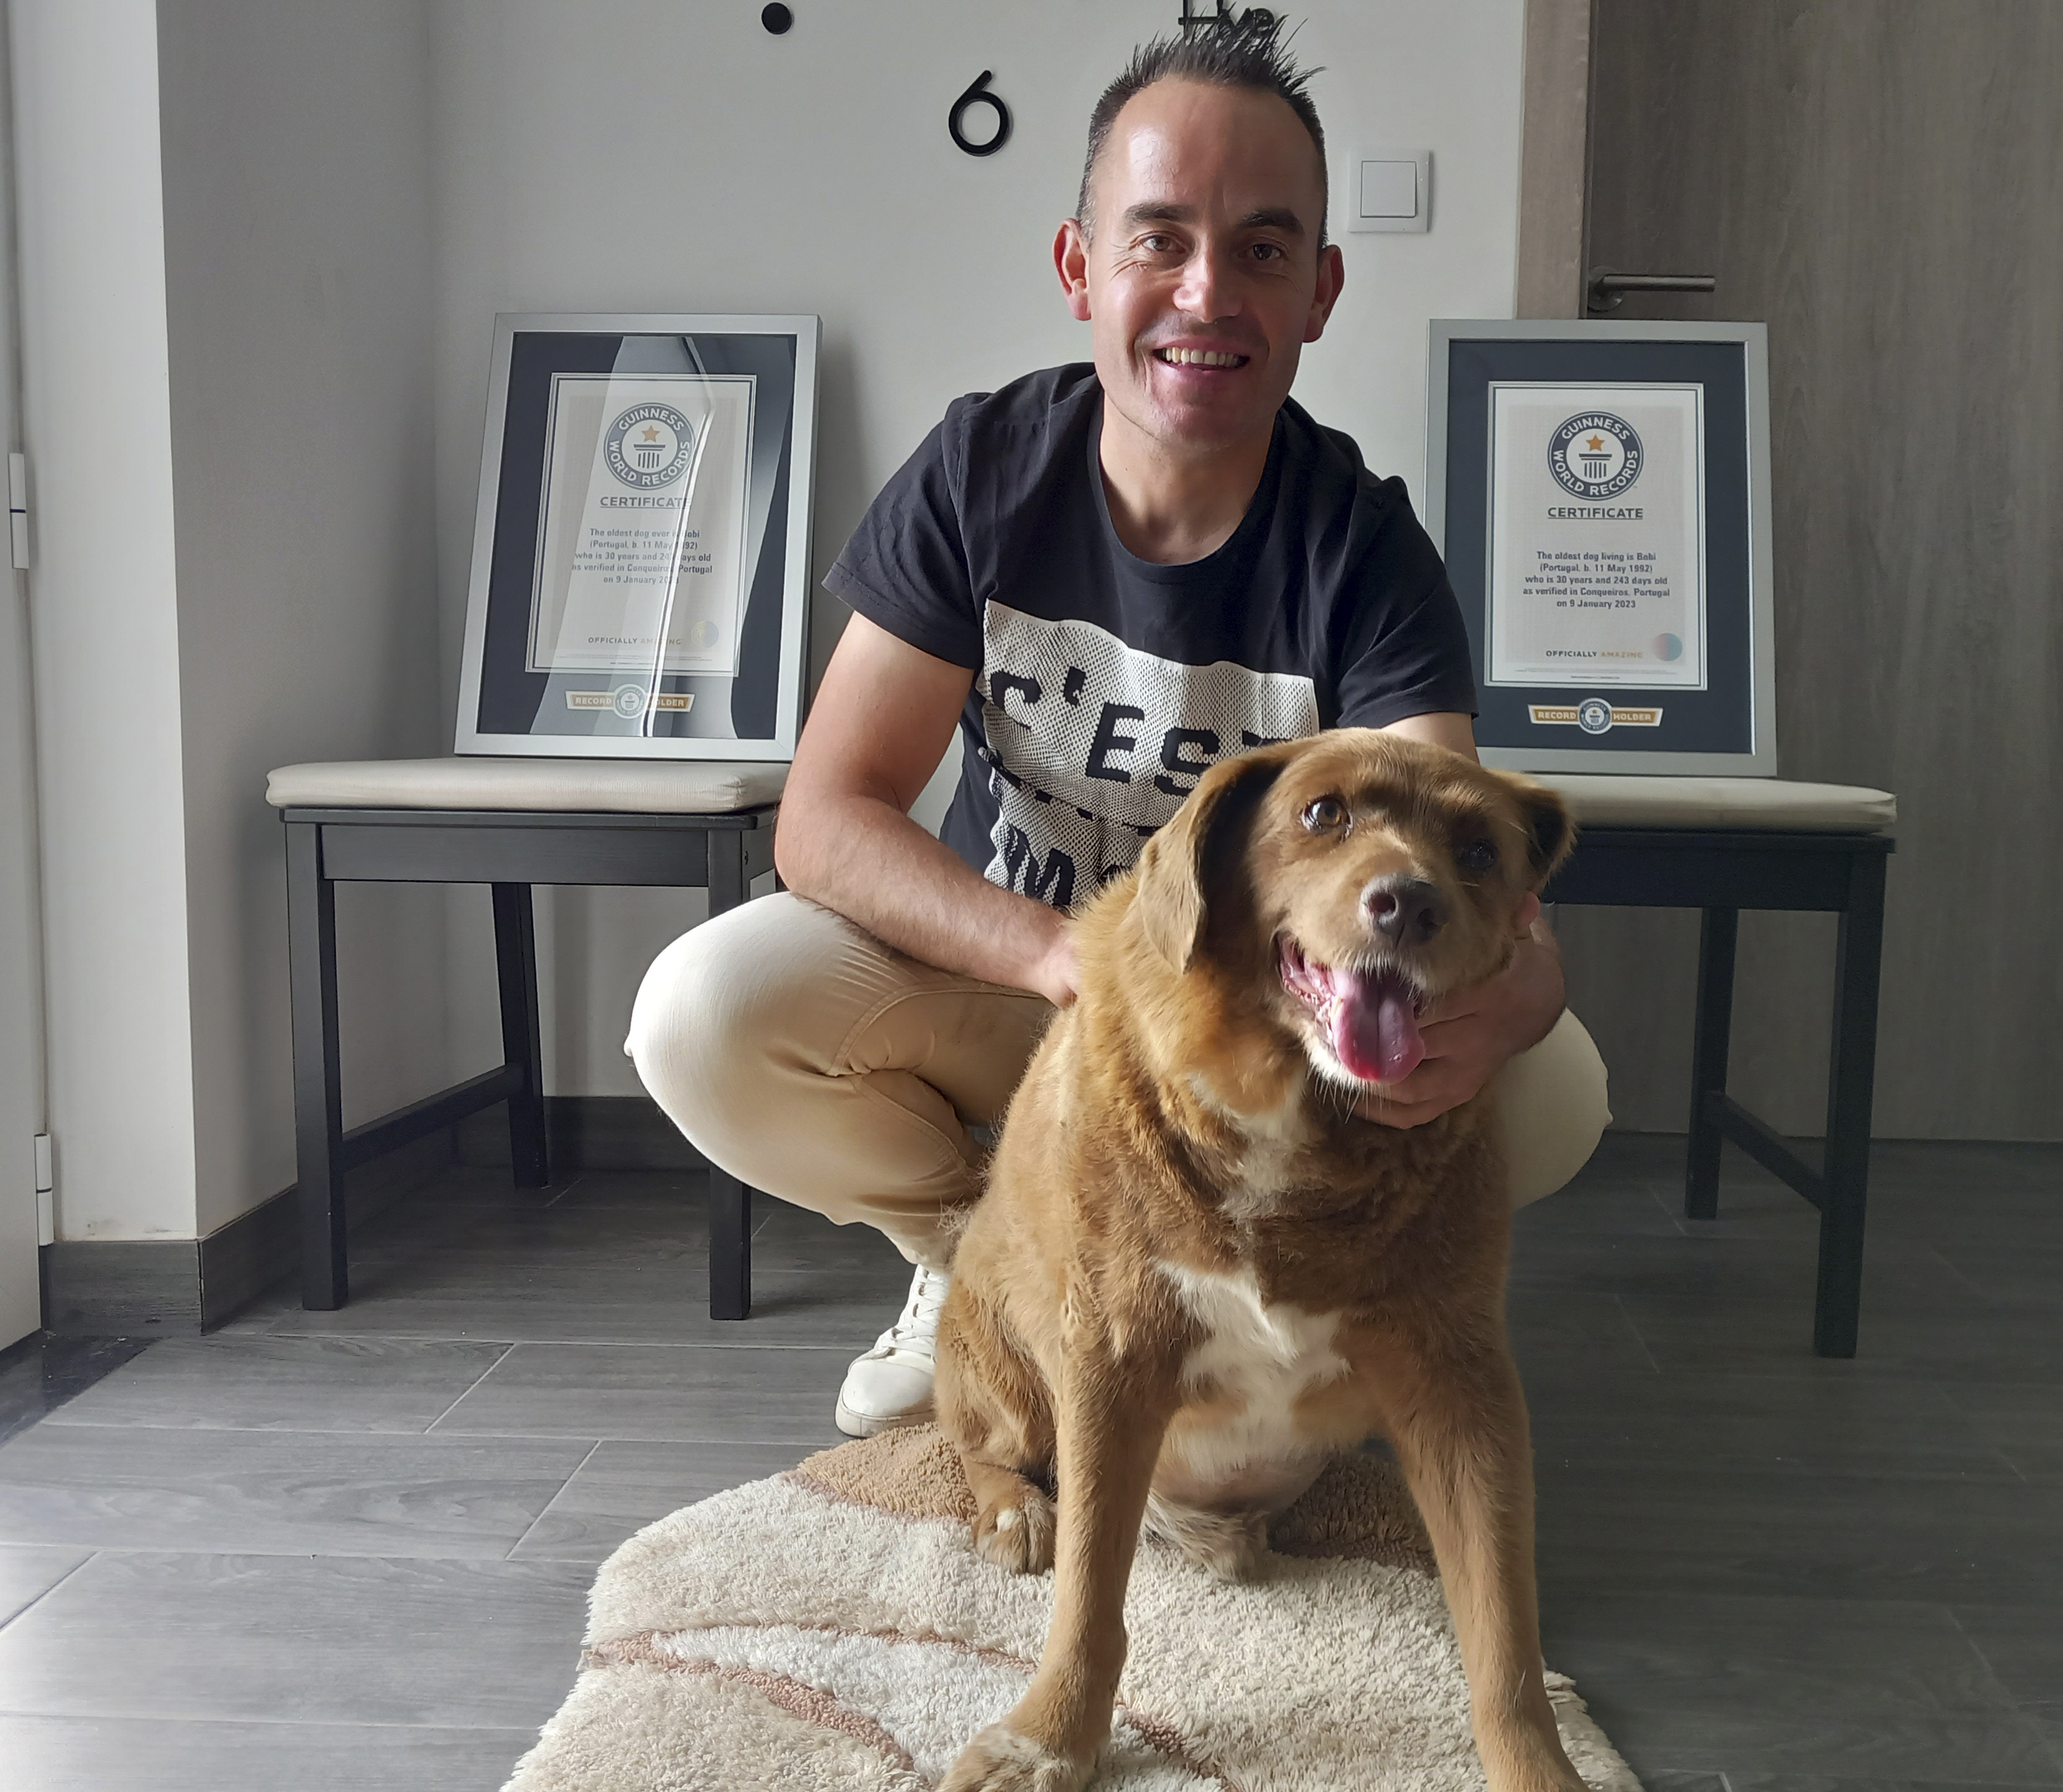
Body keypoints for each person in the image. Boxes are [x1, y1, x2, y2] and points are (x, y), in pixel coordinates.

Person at [627, 26, 1610, 1437]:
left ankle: (1278, 1309)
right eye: (1160, 240)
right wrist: (1054, 959)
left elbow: (1462, 871)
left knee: (1555, 1092)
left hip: (1252, 1023)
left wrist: (1518, 995)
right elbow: (825, 817)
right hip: (1030, 992)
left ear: (1320, 291)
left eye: (1263, 249)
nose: (1206, 292)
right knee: (701, 1012)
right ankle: (982, 1257)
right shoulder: (978, 469)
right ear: (1081, 268)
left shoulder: (1366, 548)